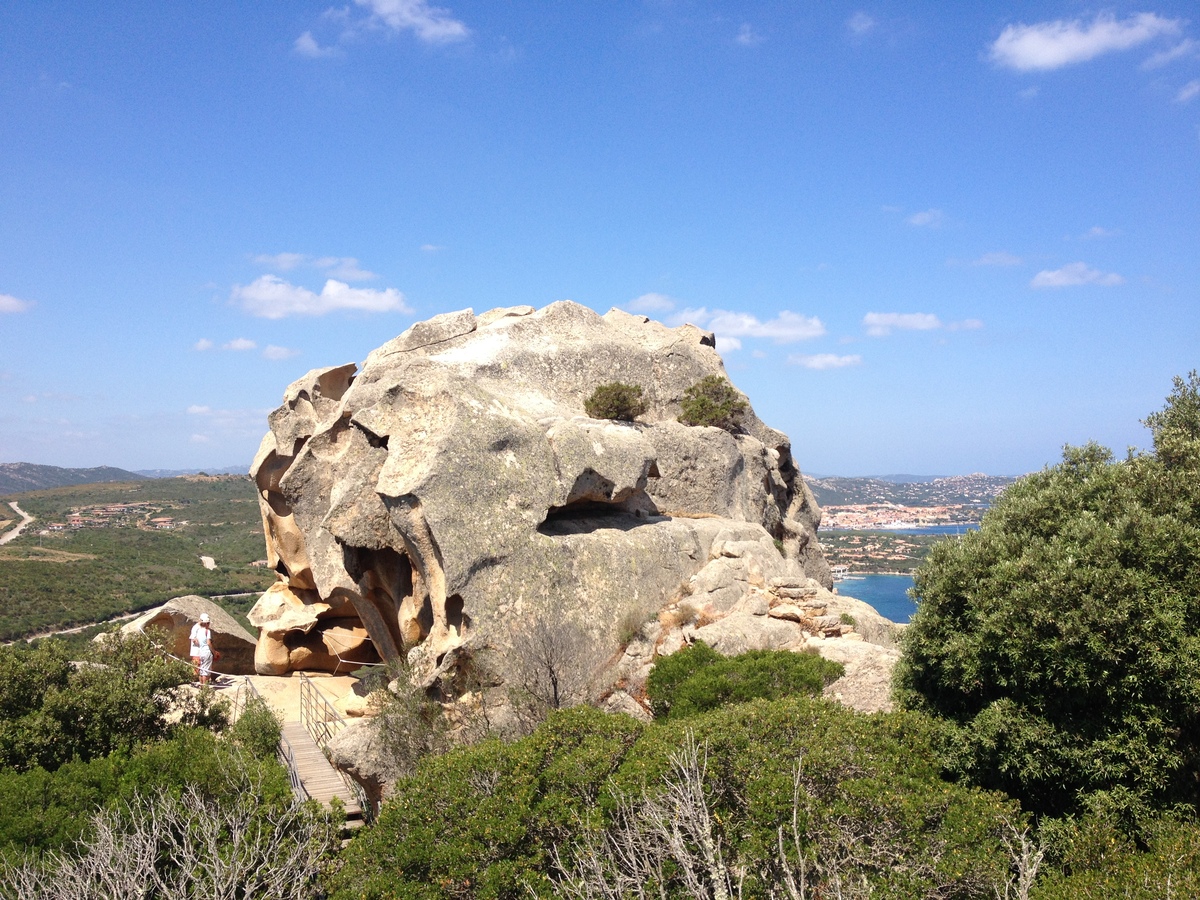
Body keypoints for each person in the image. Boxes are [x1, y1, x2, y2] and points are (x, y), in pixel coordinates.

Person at [189, 613, 214, 686]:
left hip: (201, 651)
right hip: (197, 651)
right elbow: (194, 639)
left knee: (201, 670)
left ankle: (201, 685)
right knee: (200, 669)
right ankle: (201, 685)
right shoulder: (196, 628)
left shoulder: (201, 628)